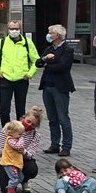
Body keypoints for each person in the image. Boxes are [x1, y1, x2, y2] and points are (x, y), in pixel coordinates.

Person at [0, 20, 38, 126]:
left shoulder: (27, 42)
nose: (14, 31)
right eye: (11, 29)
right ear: (8, 29)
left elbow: (36, 60)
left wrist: (30, 74)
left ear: (20, 29)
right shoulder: (2, 42)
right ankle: (6, 132)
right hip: (6, 80)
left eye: (16, 28)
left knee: (20, 109)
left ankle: (20, 132)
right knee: (4, 108)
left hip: (22, 80)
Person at [38, 24, 75, 157]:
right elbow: (38, 63)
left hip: (60, 87)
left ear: (58, 35)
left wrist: (47, 65)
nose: (48, 35)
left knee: (63, 118)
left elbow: (63, 67)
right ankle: (55, 144)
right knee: (52, 118)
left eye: (51, 32)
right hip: (47, 86)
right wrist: (45, 59)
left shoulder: (67, 49)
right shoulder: (49, 49)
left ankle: (66, 146)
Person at [0, 120, 27, 193]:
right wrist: (21, 140)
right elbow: (18, 146)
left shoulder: (16, 139)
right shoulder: (10, 140)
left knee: (21, 177)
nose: (21, 136)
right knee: (14, 178)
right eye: (19, 134)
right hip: (10, 163)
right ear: (11, 133)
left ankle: (10, 187)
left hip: (15, 163)